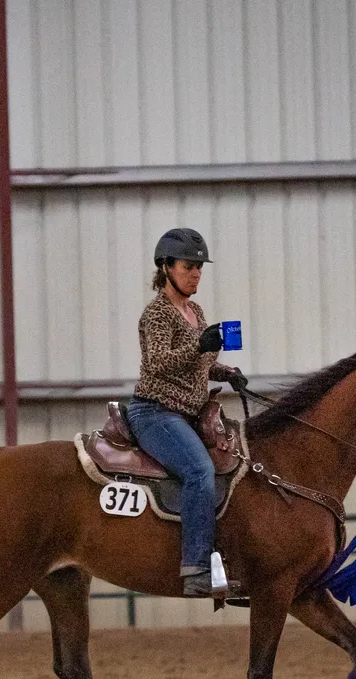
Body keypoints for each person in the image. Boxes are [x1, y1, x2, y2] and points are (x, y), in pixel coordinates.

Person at [128, 228, 248, 596]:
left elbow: (196, 366)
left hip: (188, 415)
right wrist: (200, 344)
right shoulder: (157, 314)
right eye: (187, 266)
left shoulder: (194, 310)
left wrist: (225, 372)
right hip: (156, 414)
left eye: (199, 267)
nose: (195, 273)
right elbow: (159, 362)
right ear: (165, 267)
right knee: (199, 470)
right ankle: (196, 567)